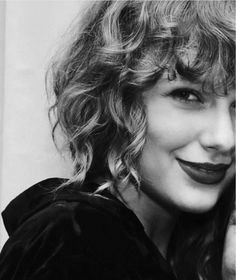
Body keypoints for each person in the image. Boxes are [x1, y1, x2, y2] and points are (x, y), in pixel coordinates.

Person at [0, 1, 235, 279]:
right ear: (116, 100)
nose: (225, 139)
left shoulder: (191, 245)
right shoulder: (76, 244)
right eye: (187, 95)